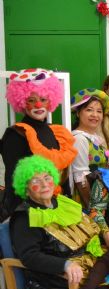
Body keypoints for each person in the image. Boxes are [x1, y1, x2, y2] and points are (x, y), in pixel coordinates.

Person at [10, 156, 103, 289]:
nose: (44, 184)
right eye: (35, 181)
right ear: (26, 189)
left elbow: (88, 228)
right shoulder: (26, 216)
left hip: (86, 266)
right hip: (52, 281)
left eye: (47, 178)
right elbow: (30, 256)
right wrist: (65, 265)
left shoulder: (62, 202)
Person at [1, 68, 77, 219]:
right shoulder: (15, 134)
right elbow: (15, 180)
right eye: (31, 100)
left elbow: (62, 174)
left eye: (43, 99)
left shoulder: (55, 131)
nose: (38, 105)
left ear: (51, 101)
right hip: (29, 211)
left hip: (54, 205)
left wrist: (66, 199)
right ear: (22, 102)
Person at [69, 88, 109, 209]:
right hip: (87, 199)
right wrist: (93, 209)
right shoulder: (79, 139)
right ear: (79, 113)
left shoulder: (95, 138)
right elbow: (81, 179)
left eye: (99, 111)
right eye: (89, 110)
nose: (95, 115)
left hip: (101, 198)